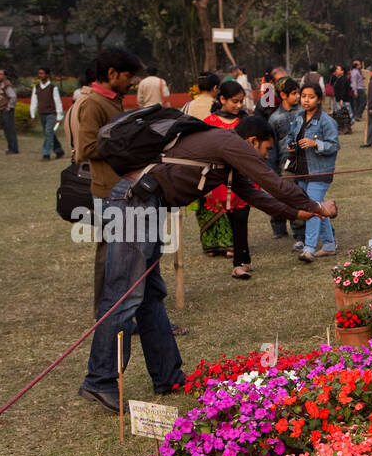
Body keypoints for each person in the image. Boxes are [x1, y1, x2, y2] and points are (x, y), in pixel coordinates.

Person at [78, 115, 337, 413]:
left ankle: (167, 377)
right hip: (133, 202)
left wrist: (299, 214)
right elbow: (272, 182)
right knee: (124, 295)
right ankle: (100, 379)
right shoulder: (229, 142)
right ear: (252, 141)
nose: (265, 156)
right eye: (264, 150)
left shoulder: (224, 154)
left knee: (150, 295)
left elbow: (255, 195)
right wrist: (316, 206)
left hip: (145, 203)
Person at [68, 48, 142, 314]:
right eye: (128, 75)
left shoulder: (112, 100)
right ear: (111, 73)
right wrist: (127, 145)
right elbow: (86, 148)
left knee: (126, 253)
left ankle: (120, 309)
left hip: (122, 188)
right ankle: (106, 312)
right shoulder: (92, 103)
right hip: (108, 190)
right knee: (110, 255)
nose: (132, 81)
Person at [197, 80, 254, 276]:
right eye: (234, 102)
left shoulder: (245, 121)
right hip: (221, 180)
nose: (239, 106)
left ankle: (241, 261)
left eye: (241, 102)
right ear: (222, 99)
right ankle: (241, 261)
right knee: (233, 219)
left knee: (241, 218)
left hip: (244, 176)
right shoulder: (209, 123)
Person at [288, 82, 340, 262]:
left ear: (319, 99)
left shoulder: (326, 121)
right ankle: (329, 245)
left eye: (311, 97)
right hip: (301, 171)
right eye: (303, 96)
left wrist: (315, 143)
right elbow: (290, 135)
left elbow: (334, 145)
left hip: (320, 172)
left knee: (312, 208)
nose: (306, 100)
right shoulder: (298, 117)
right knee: (318, 208)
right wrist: (289, 144)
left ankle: (309, 248)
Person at [267, 77, 304, 241]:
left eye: (298, 93)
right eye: (294, 93)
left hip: (303, 164)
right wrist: (272, 171)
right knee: (281, 197)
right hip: (284, 166)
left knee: (299, 198)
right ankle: (279, 228)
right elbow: (272, 148)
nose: (298, 97)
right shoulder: (275, 119)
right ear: (283, 95)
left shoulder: (304, 112)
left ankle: (300, 233)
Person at [30, 68, 65, 161]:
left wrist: (59, 116)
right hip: (42, 114)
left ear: (47, 75)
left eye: (42, 73)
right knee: (49, 133)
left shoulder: (53, 88)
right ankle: (59, 151)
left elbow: (58, 102)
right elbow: (34, 101)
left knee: (48, 132)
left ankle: (46, 154)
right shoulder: (36, 87)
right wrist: (32, 115)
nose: (40, 75)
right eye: (39, 73)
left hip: (51, 114)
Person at [0, 69, 19, 154]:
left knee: (10, 129)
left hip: (7, 110)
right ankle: (10, 147)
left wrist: (8, 107)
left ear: (5, 76)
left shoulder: (6, 84)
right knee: (6, 129)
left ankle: (13, 148)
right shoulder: (1, 84)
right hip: (3, 109)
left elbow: (13, 96)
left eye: (0, 74)